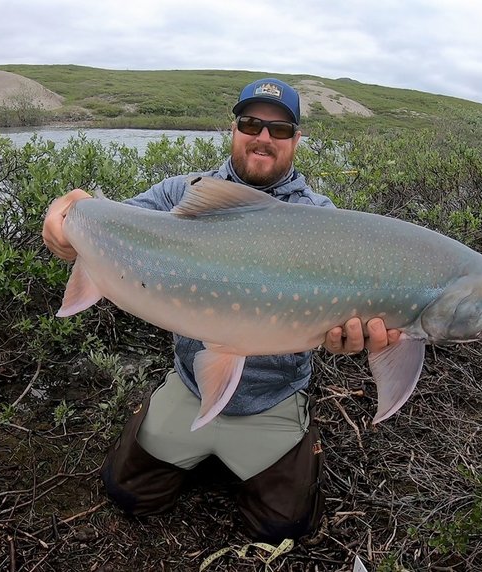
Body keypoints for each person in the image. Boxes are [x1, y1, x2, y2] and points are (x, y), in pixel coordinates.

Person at [43, 78, 400, 542]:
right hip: (191, 381)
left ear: (297, 140)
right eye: (251, 123)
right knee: (126, 493)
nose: (263, 138)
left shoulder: (322, 219)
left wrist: (354, 337)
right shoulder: (183, 193)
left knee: (284, 529)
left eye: (280, 129)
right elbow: (104, 220)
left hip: (272, 399)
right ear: (233, 129)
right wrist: (66, 212)